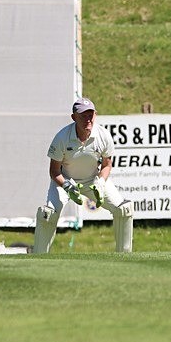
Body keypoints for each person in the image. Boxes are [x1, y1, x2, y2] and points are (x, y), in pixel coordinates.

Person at [33, 97, 134, 253]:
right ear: (74, 117)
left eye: (90, 115)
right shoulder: (62, 137)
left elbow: (107, 165)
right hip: (64, 181)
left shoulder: (103, 135)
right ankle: (39, 258)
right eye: (83, 115)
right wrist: (66, 185)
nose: (88, 119)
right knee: (48, 214)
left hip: (93, 180)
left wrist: (101, 182)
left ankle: (125, 257)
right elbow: (54, 171)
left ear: (95, 115)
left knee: (124, 209)